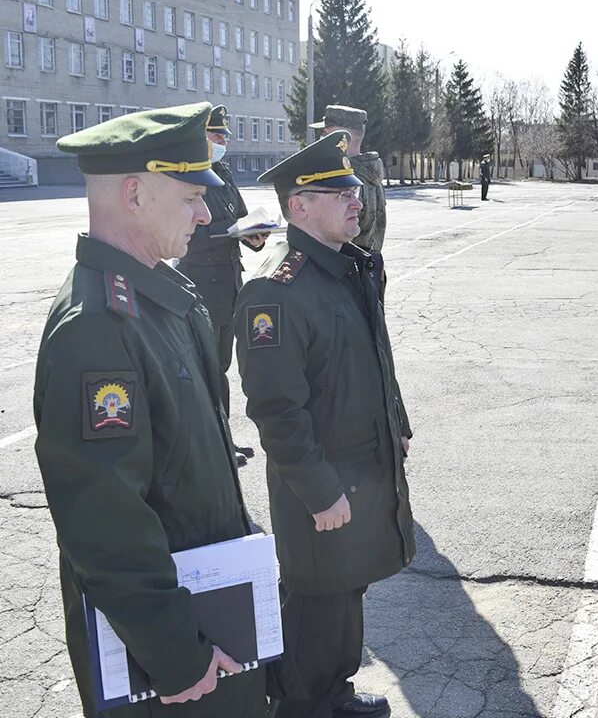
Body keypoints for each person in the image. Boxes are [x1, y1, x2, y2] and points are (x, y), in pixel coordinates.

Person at [33, 102, 268, 717]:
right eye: (191, 194)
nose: (207, 211)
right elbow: (104, 522)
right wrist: (176, 654)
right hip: (169, 663)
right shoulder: (98, 327)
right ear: (134, 193)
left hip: (205, 614)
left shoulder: (161, 296)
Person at [235, 130, 416, 718]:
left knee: (344, 590)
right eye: (339, 192)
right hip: (323, 482)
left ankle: (331, 695)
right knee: (317, 599)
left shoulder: (348, 269)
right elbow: (275, 408)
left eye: (355, 188)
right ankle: (305, 705)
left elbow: (375, 356)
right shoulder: (276, 289)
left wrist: (399, 422)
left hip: (360, 467)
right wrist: (319, 490)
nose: (356, 200)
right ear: (298, 207)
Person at [177, 105, 269, 466]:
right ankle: (211, 444)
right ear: (202, 139)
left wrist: (254, 236)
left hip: (229, 282)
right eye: (216, 137)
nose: (222, 143)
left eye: (224, 137)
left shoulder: (224, 172)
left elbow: (240, 219)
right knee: (207, 367)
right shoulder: (193, 177)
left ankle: (222, 437)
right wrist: (230, 234)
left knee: (221, 366)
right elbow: (193, 232)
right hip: (201, 279)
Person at [310, 105, 386, 252]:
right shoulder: (371, 169)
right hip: (369, 267)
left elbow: (332, 235)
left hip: (346, 268)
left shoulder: (345, 179)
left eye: (325, 132)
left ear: (342, 136)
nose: (321, 138)